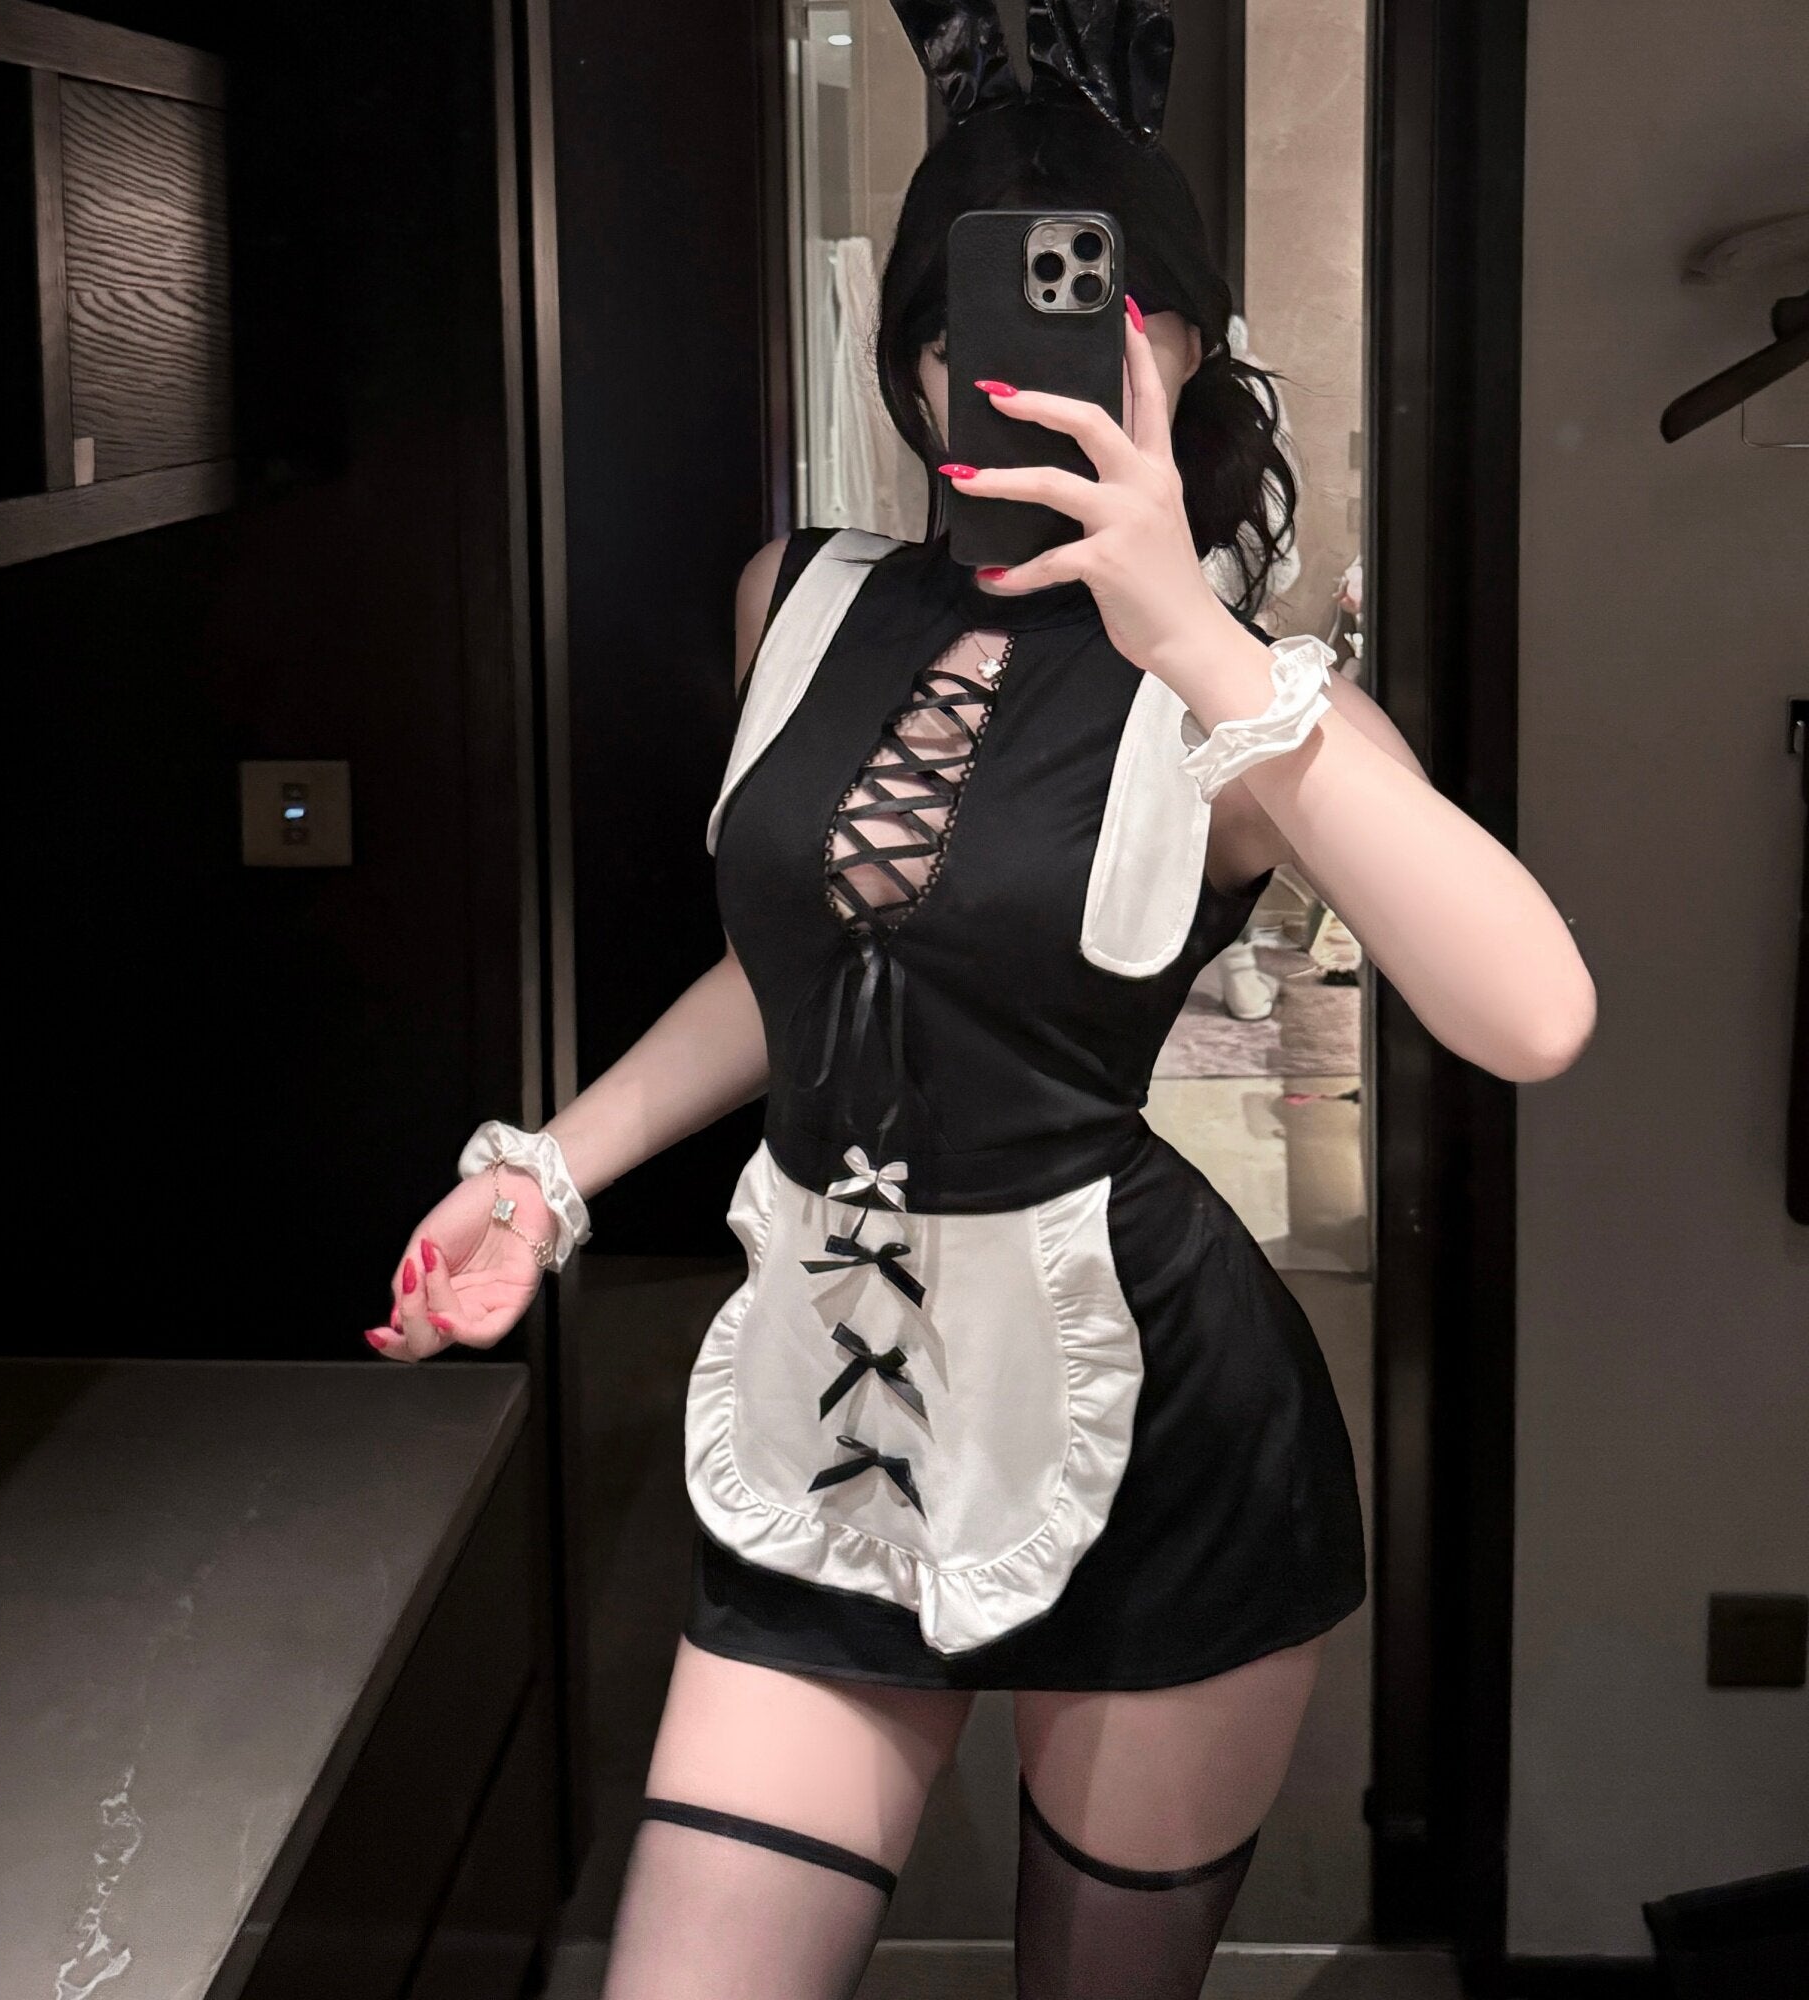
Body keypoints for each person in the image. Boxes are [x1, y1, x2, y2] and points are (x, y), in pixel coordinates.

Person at [361, 5, 1598, 1994]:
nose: (1006, 365)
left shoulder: (1244, 701)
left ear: (1179, 350)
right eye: (961, 320)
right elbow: (816, 969)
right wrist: (550, 1175)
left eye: (1093, 311)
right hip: (834, 1392)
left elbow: (1532, 1015)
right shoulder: (798, 600)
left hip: (1164, 1426)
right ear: (912, 364)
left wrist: (1194, 630)